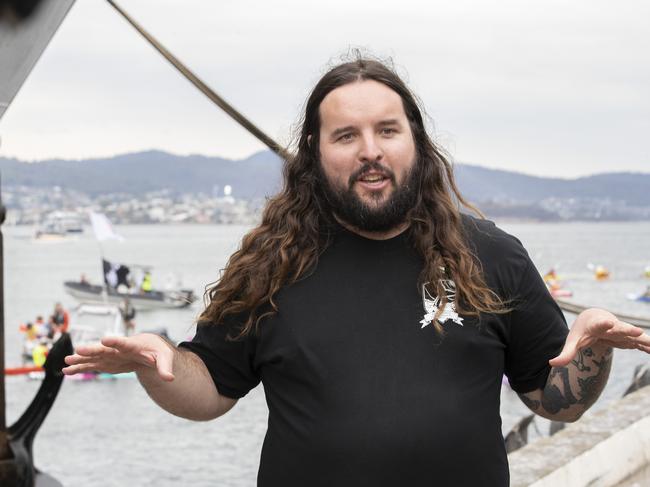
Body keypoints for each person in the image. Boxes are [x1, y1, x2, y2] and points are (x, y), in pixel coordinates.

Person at [63, 58, 650, 486]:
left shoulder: (492, 255)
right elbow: (210, 389)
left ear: (415, 143)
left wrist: (595, 350)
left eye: (387, 130)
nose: (370, 150)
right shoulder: (271, 263)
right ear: (316, 154)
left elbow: (558, 403)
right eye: (347, 135)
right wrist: (152, 362)